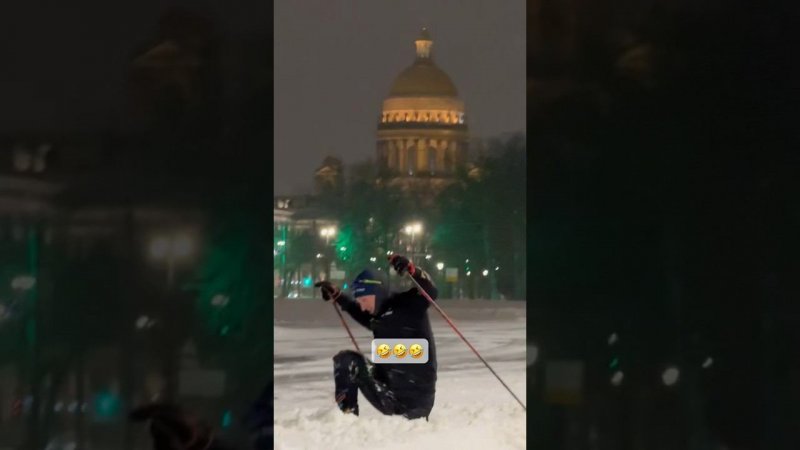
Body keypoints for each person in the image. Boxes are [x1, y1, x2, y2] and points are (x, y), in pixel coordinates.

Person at [315, 254, 438, 420]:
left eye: (365, 299)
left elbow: (430, 291)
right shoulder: (379, 318)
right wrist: (337, 296)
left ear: (378, 293)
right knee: (346, 360)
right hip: (389, 392)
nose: (363, 306)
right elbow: (356, 310)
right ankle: (346, 418)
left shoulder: (408, 306)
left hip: (416, 398)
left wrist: (412, 270)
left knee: (388, 352)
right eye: (360, 301)